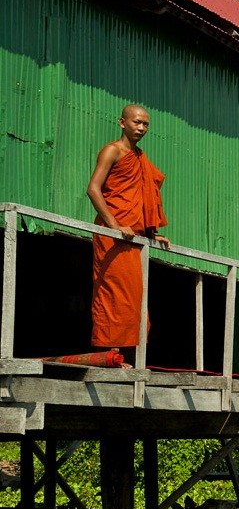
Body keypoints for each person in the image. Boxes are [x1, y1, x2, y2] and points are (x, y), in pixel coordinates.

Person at [86, 104, 169, 364]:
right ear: (122, 123)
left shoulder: (140, 158)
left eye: (145, 124)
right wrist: (113, 225)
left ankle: (126, 359)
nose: (142, 128)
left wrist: (151, 234)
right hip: (113, 236)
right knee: (112, 295)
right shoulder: (112, 151)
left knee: (134, 300)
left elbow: (142, 199)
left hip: (132, 238)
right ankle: (106, 358)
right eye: (137, 122)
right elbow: (93, 189)